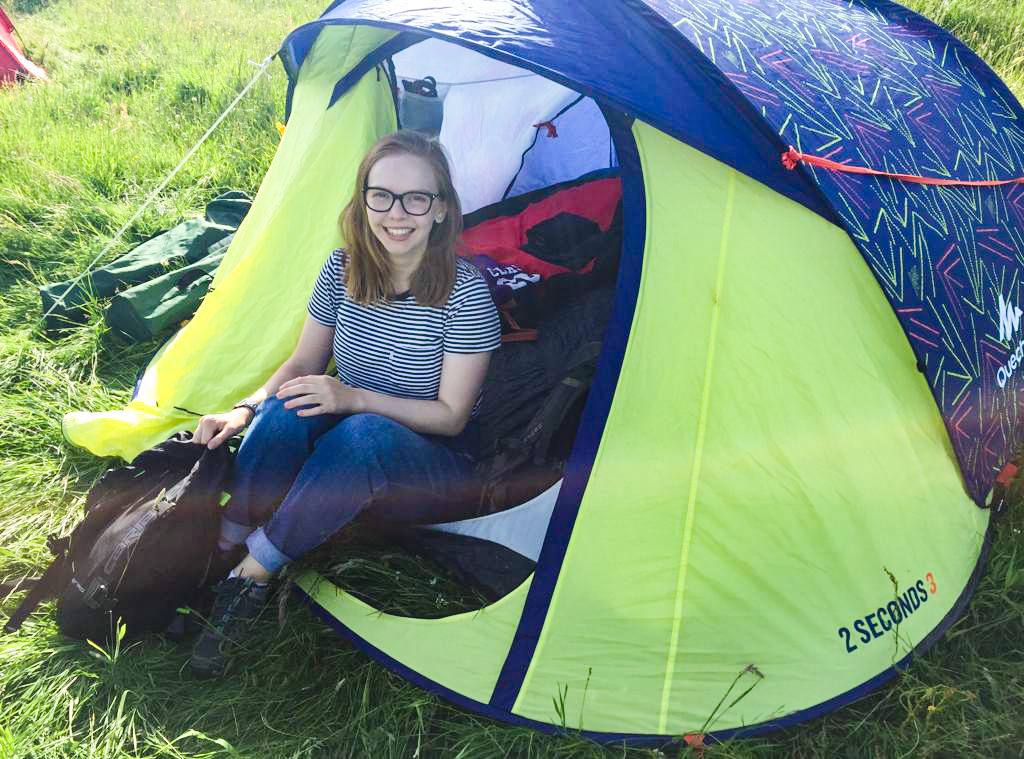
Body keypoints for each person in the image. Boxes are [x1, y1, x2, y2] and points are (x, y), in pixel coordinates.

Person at [187, 131, 500, 678]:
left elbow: (451, 417)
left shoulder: (466, 293)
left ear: (441, 210)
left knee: (361, 435)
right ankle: (222, 544)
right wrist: (243, 409)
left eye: (416, 199)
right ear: (362, 202)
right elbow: (301, 364)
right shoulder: (341, 269)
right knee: (287, 405)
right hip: (355, 431)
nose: (396, 213)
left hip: (434, 463)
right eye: (381, 195)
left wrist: (352, 397)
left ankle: (251, 577)